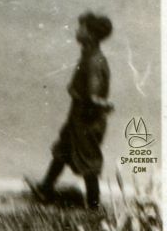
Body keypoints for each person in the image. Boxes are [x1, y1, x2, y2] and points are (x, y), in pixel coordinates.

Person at [30, 12, 116, 209]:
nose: (77, 31)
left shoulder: (94, 61)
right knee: (63, 150)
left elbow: (94, 95)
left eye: (82, 28)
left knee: (88, 160)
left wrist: (102, 105)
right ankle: (45, 189)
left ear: (91, 35)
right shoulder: (89, 56)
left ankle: (94, 205)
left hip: (86, 119)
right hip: (78, 117)